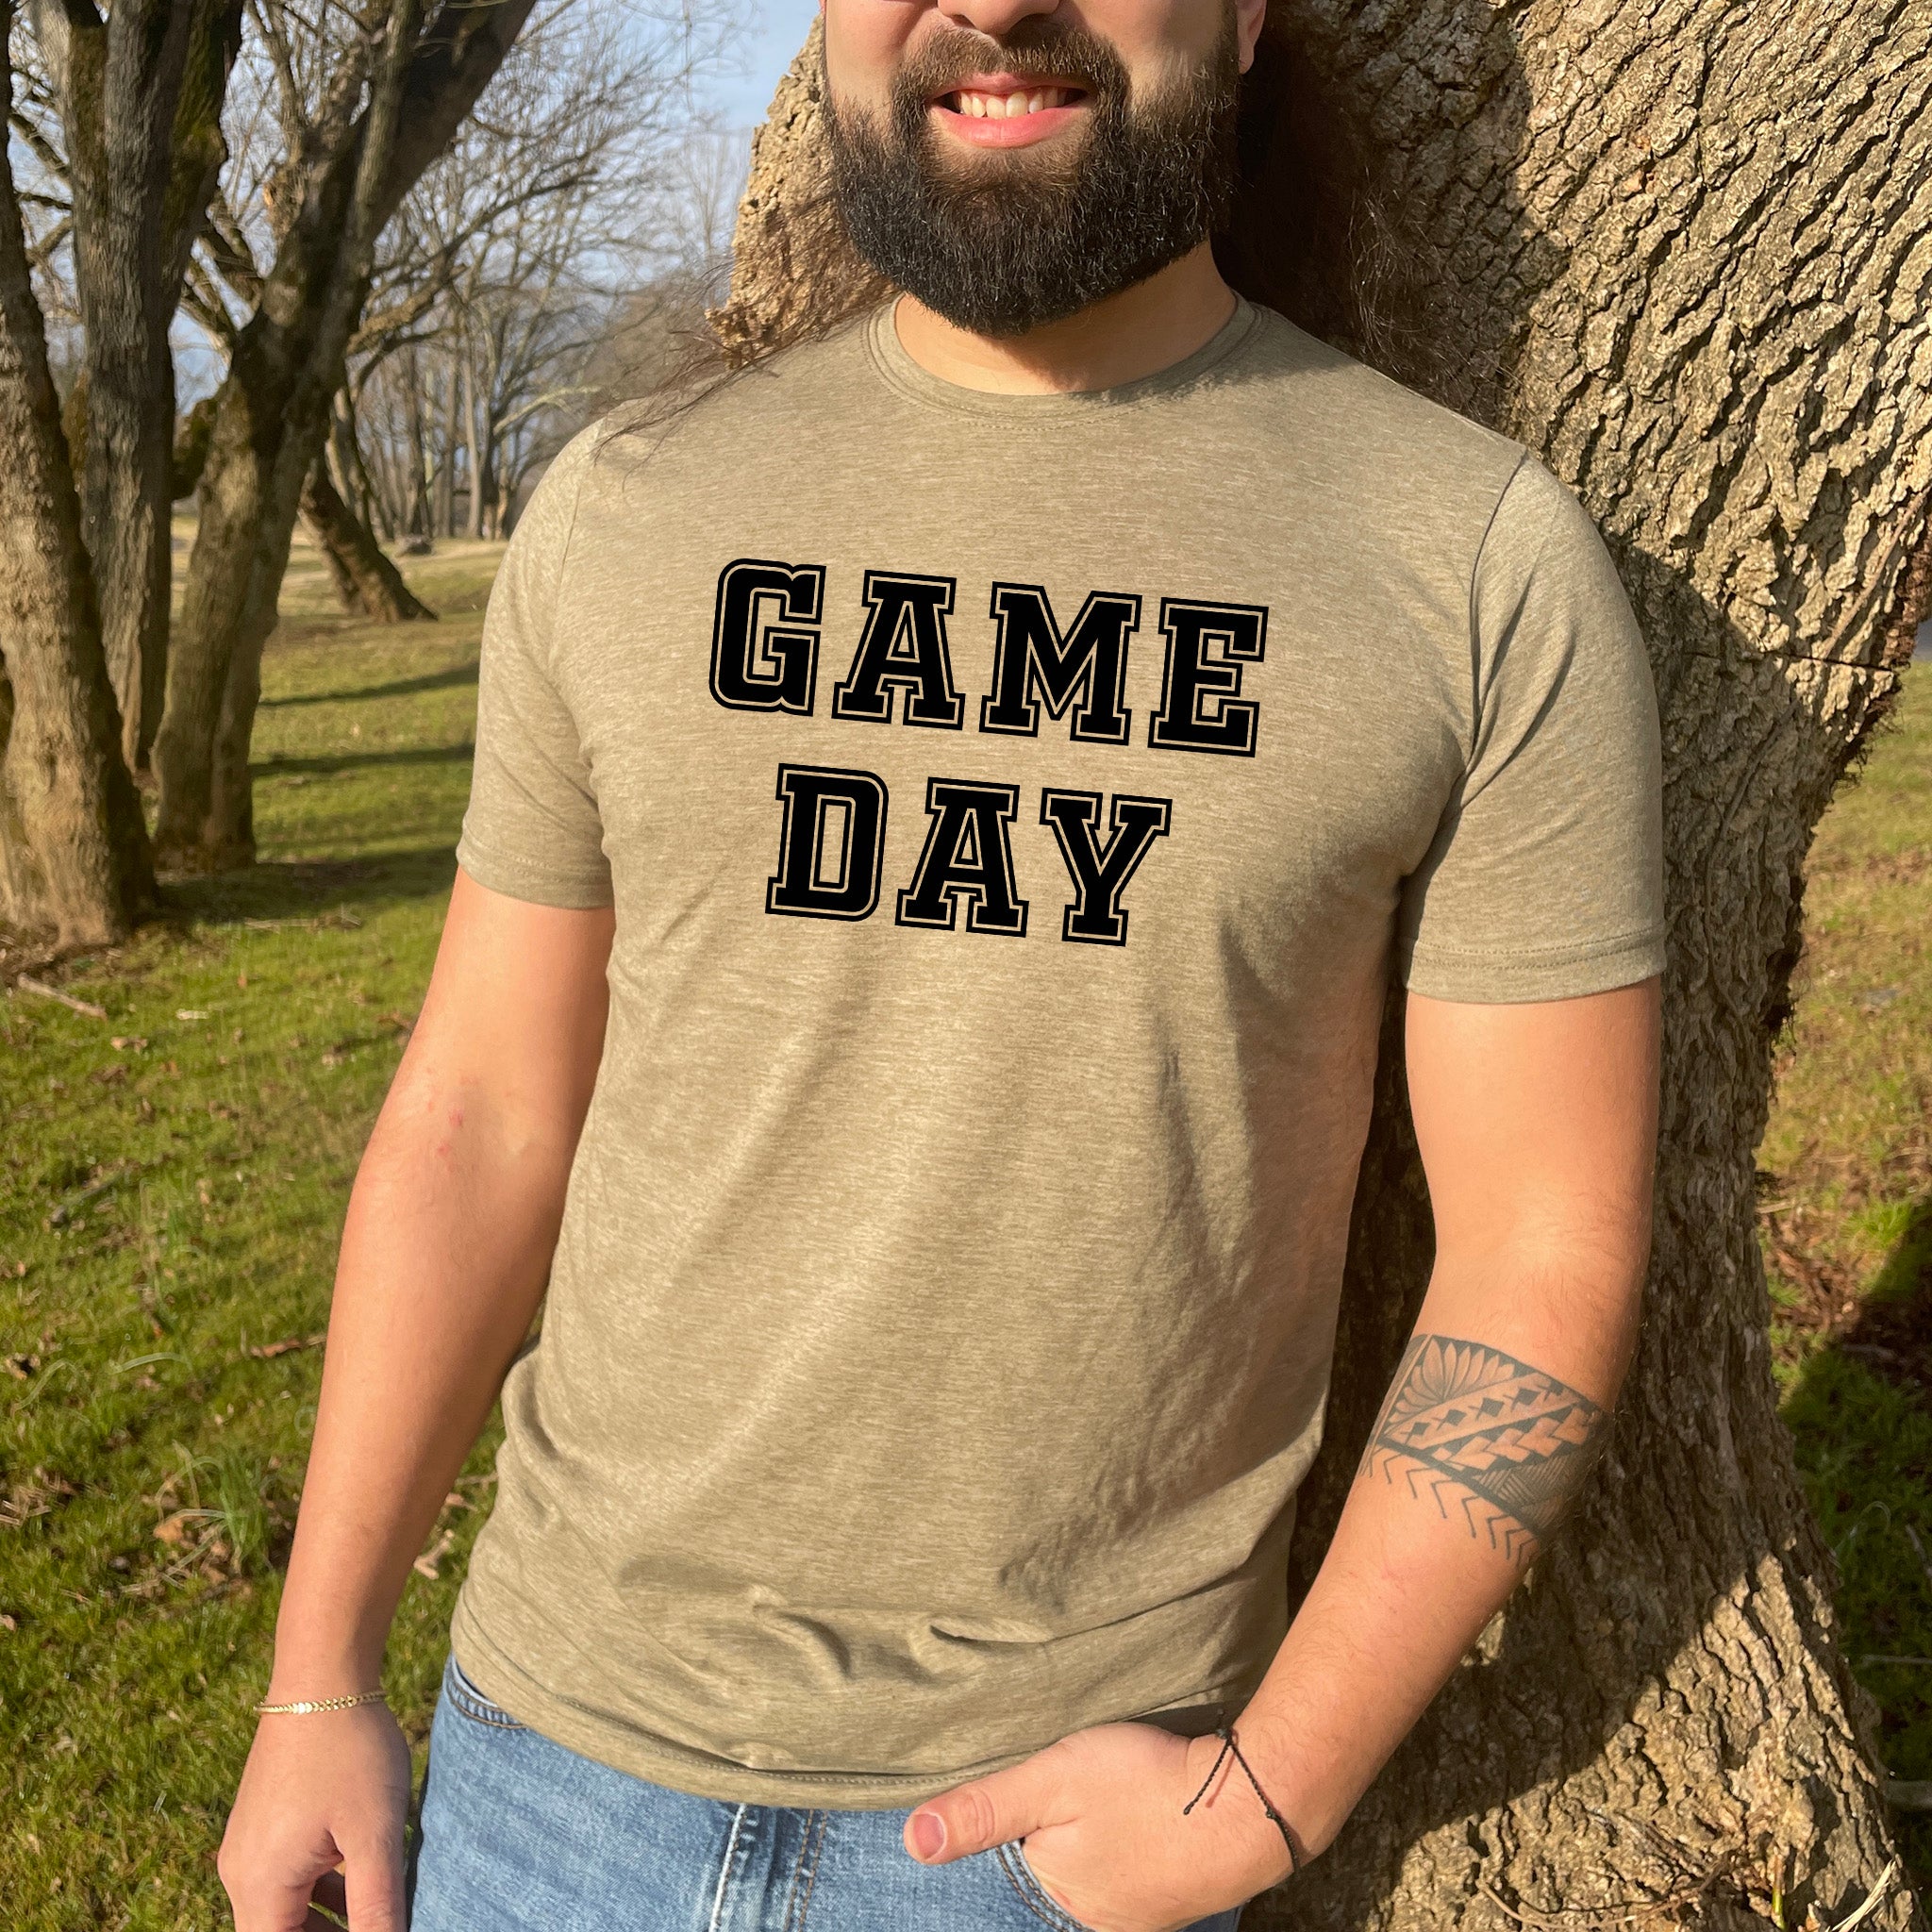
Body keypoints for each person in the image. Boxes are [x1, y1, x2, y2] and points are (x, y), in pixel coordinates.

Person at [218, 0, 1665, 1926]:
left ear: (1242, 20)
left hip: (1054, 1839)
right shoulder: (628, 512)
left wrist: (1269, 1789)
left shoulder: (1468, 560)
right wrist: (319, 1674)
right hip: (540, 1783)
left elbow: (1542, 1239)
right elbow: (478, 1115)